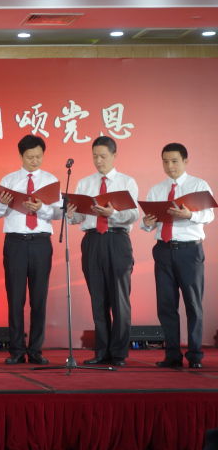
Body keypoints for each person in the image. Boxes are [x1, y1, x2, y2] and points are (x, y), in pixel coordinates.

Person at [67, 136, 138, 367]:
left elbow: (133, 215)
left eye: (103, 156)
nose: (98, 161)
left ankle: (118, 353)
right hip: (92, 241)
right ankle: (101, 351)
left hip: (117, 240)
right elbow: (78, 218)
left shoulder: (127, 182)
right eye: (95, 156)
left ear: (114, 155)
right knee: (98, 298)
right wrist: (71, 214)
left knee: (119, 299)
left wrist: (112, 214)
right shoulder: (84, 183)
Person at [141, 142, 213, 369]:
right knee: (166, 305)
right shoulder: (157, 189)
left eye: (174, 161)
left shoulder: (198, 185)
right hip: (163, 250)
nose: (170, 166)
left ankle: (195, 355)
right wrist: (147, 222)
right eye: (165, 161)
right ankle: (172, 355)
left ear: (185, 161)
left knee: (193, 304)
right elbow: (148, 225)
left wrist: (189, 214)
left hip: (189, 251)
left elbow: (209, 215)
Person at [0, 134, 62, 365]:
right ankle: (16, 350)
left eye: (38, 156)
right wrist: (2, 202)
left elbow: (59, 213)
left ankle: (35, 350)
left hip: (41, 243)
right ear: (21, 155)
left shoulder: (50, 180)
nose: (34, 161)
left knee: (39, 298)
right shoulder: (10, 180)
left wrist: (41, 208)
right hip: (16, 243)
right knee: (15, 298)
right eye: (30, 157)